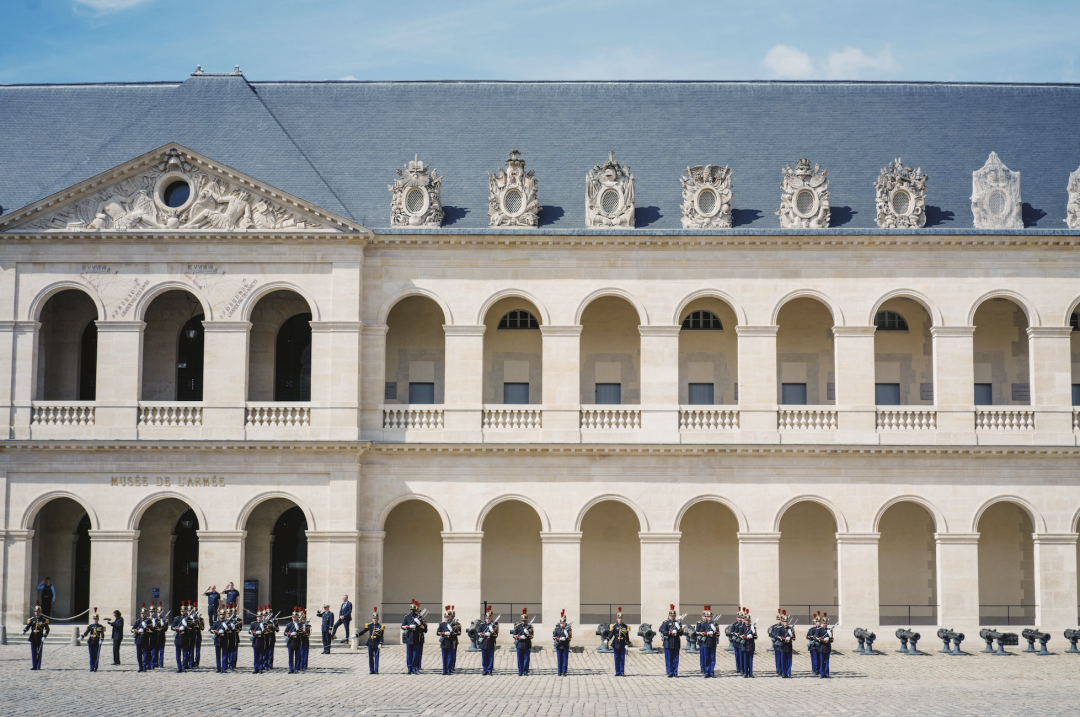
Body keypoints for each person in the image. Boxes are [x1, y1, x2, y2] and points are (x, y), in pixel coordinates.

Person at [401, 599, 427, 674]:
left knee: (416, 654)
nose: (412, 611)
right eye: (411, 610)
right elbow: (402, 626)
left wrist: (419, 624)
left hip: (416, 637)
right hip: (409, 637)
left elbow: (424, 628)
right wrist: (408, 627)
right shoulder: (407, 617)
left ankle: (415, 667)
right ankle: (409, 667)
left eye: (413, 610)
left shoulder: (419, 618)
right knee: (409, 654)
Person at [356, 606, 385, 674]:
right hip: (370, 642)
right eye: (374, 618)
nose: (375, 620)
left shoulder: (380, 626)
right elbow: (363, 631)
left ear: (378, 619)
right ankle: (371, 670)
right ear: (372, 619)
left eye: (376, 619)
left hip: (377, 642)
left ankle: (376, 669)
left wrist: (381, 643)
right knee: (370, 657)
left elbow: (381, 636)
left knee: (377, 657)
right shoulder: (370, 625)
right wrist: (356, 635)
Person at [23, 602, 50, 670]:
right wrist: (24, 631)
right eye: (35, 612)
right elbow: (28, 626)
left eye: (38, 612)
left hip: (40, 637)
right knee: (33, 652)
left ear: (40, 612)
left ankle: (38, 666)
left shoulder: (44, 620)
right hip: (33, 637)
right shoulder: (32, 620)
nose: (36, 613)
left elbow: (47, 629)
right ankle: (34, 666)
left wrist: (45, 636)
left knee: (39, 653)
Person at [659, 605, 683, 678]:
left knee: (675, 658)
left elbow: (681, 633)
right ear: (668, 616)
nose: (672, 617)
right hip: (668, 643)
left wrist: (679, 629)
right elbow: (662, 630)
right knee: (669, 658)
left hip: (676, 643)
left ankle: (675, 672)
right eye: (671, 615)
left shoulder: (678, 623)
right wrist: (670, 632)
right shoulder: (666, 622)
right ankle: (670, 671)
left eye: (673, 616)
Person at [436, 605, 460, 675]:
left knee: (450, 656)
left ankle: (449, 669)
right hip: (444, 642)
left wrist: (452, 632)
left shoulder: (454, 624)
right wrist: (443, 633)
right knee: (444, 657)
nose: (447, 618)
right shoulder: (442, 625)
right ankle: (444, 670)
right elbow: (438, 632)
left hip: (450, 642)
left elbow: (457, 632)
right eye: (446, 617)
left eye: (448, 617)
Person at [695, 606, 718, 678]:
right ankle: (706, 672)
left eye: (710, 616)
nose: (709, 618)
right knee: (706, 657)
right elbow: (700, 632)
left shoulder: (715, 624)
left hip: (712, 642)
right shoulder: (703, 624)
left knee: (712, 658)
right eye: (708, 616)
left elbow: (718, 634)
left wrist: (714, 632)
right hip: (705, 643)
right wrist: (707, 633)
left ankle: (712, 672)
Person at [511, 607, 534, 676]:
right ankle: (520, 671)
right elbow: (514, 635)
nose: (524, 622)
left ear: (527, 620)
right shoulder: (518, 627)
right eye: (522, 620)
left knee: (526, 658)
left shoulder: (530, 627)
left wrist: (527, 634)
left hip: (527, 644)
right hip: (520, 644)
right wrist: (520, 637)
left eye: (525, 620)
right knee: (520, 658)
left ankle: (525, 671)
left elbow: (532, 636)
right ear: (521, 621)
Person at [609, 608, 631, 676]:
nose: (620, 619)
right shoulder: (614, 626)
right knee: (616, 658)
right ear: (617, 619)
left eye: (621, 618)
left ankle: (622, 672)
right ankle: (617, 672)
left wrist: (627, 643)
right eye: (619, 618)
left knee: (622, 658)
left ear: (622, 619)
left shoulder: (625, 626)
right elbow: (611, 633)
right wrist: (607, 639)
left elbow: (627, 636)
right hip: (616, 643)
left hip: (622, 643)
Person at [477, 605, 499, 676]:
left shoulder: (494, 625)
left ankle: (490, 670)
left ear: (491, 618)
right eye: (487, 618)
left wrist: (492, 632)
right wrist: (484, 634)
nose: (488, 620)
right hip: (483, 643)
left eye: (489, 618)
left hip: (490, 642)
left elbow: (496, 635)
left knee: (490, 657)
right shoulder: (482, 624)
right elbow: (478, 632)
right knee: (484, 657)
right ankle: (485, 669)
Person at [170, 602, 191, 672]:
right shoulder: (177, 619)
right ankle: (179, 667)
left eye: (184, 611)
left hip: (185, 638)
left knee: (185, 654)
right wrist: (177, 628)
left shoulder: (189, 619)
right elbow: (172, 627)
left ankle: (184, 666)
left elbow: (191, 627)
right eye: (182, 611)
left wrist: (186, 626)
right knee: (178, 654)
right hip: (178, 638)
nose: (183, 612)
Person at [552, 609, 572, 676]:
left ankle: (564, 672)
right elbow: (554, 636)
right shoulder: (557, 629)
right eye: (561, 623)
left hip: (565, 645)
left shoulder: (568, 629)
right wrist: (559, 638)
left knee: (565, 659)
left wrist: (566, 636)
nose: (562, 624)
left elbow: (570, 637)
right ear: (560, 623)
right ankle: (559, 671)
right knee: (559, 659)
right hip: (559, 645)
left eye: (563, 623)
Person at [131, 604, 150, 672]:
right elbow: (132, 629)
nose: (143, 615)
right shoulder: (138, 621)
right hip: (138, 640)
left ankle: (144, 666)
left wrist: (145, 627)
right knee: (139, 654)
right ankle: (140, 666)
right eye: (142, 613)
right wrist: (137, 631)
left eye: (144, 613)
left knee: (145, 654)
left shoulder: (148, 621)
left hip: (145, 639)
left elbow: (151, 630)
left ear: (146, 614)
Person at [739, 608, 758, 678]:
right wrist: (746, 637)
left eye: (748, 620)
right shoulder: (742, 627)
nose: (747, 622)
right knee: (745, 660)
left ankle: (750, 673)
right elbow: (740, 636)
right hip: (744, 645)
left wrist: (753, 633)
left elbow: (756, 637)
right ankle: (745, 672)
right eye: (746, 620)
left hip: (751, 645)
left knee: (750, 660)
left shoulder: (753, 627)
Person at [775, 610, 794, 678]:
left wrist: (791, 636)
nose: (786, 623)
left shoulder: (791, 629)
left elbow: (794, 638)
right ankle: (784, 673)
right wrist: (784, 639)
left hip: (789, 646)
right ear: (782, 622)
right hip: (782, 647)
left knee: (789, 661)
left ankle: (788, 673)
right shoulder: (780, 629)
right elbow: (777, 636)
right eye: (784, 622)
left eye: (787, 621)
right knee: (783, 661)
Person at [816, 612, 834, 678]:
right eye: (824, 623)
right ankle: (822, 673)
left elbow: (832, 640)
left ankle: (826, 673)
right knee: (821, 661)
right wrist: (823, 640)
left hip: (827, 647)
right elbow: (816, 638)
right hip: (821, 647)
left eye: (826, 623)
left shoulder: (830, 630)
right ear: (822, 623)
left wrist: (829, 637)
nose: (825, 624)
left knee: (827, 662)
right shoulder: (819, 630)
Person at [249, 606, 266, 674]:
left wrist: (263, 629)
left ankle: (260, 668)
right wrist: (255, 632)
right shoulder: (254, 624)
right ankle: (256, 668)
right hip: (255, 641)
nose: (259, 618)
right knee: (256, 656)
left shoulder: (264, 624)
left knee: (261, 656)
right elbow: (250, 631)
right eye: (258, 616)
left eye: (260, 616)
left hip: (261, 641)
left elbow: (267, 632)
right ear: (256, 617)